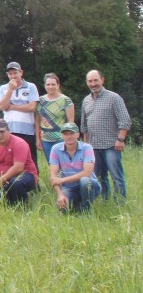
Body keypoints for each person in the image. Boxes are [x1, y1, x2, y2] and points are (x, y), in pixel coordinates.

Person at [80, 69, 131, 201]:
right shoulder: (86, 100)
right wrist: (86, 145)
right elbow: (84, 125)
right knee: (99, 176)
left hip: (111, 145)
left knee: (116, 176)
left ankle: (120, 203)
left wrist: (120, 139)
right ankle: (105, 201)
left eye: (95, 80)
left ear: (102, 80)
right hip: (93, 146)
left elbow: (125, 120)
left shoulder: (114, 98)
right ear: (87, 83)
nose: (93, 84)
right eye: (90, 81)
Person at [0, 119, 38, 205]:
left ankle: (23, 206)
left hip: (26, 175)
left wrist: (0, 180)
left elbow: (19, 167)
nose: (0, 135)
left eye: (2, 131)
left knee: (15, 183)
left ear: (9, 130)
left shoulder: (19, 143)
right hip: (4, 179)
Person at [0, 62, 39, 173]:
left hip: (27, 131)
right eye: (10, 74)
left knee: (30, 159)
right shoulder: (3, 88)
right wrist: (10, 90)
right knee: (10, 159)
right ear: (7, 75)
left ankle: (34, 183)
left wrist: (12, 106)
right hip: (9, 131)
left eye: (15, 73)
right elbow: (2, 106)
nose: (13, 76)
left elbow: (32, 106)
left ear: (21, 72)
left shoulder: (30, 86)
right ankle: (12, 183)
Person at [49, 123, 101, 212]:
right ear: (62, 136)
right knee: (63, 209)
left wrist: (63, 180)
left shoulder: (87, 148)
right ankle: (78, 204)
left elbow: (87, 173)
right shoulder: (55, 149)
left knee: (84, 181)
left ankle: (86, 211)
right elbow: (53, 177)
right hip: (69, 188)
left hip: (89, 184)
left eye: (72, 133)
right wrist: (60, 195)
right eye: (66, 134)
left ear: (78, 134)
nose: (69, 137)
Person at [36, 73, 75, 162]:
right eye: (48, 84)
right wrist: (38, 139)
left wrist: (69, 139)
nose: (50, 87)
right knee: (51, 164)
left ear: (58, 85)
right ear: (45, 86)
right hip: (45, 139)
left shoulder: (65, 100)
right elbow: (37, 122)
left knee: (64, 163)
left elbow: (71, 122)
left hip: (61, 138)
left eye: (53, 84)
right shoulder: (40, 101)